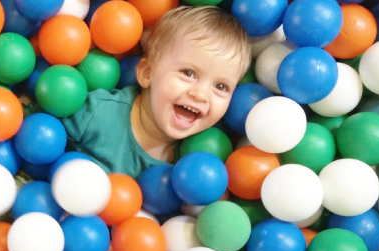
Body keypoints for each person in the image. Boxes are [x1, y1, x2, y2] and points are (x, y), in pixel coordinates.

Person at [35, 6, 251, 179]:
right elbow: (35, 130)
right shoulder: (97, 113)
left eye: (221, 87)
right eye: (188, 73)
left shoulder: (196, 162)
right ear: (147, 73)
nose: (201, 94)